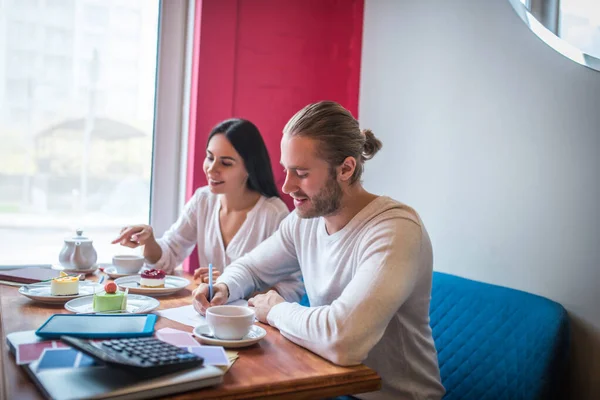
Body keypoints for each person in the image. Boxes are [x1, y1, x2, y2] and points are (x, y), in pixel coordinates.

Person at [193, 102, 445, 400]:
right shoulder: (305, 221)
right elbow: (250, 268)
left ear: (346, 168)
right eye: (286, 170)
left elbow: (342, 340)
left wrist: (274, 309)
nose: (286, 186)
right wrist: (223, 286)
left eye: (301, 173)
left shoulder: (395, 231)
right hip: (328, 386)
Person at [112, 118, 303, 302]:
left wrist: (230, 287)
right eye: (210, 157)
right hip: (205, 313)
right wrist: (149, 240)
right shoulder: (203, 200)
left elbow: (291, 288)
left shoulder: (273, 213)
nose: (212, 169)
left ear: (249, 168)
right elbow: (169, 254)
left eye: (226, 163)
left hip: (249, 324)